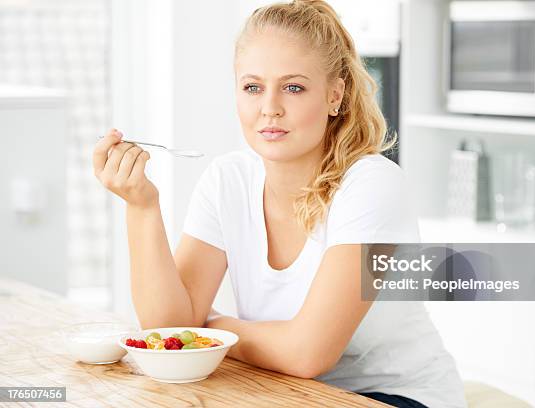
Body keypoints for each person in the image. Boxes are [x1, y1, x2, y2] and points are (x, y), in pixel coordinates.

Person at [92, 1, 467, 407]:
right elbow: (168, 330)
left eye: (293, 87)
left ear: (334, 95)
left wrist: (210, 329)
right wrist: (141, 207)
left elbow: (308, 353)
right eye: (253, 87)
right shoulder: (227, 180)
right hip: (287, 392)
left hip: (391, 396)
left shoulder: (372, 186)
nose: (269, 107)